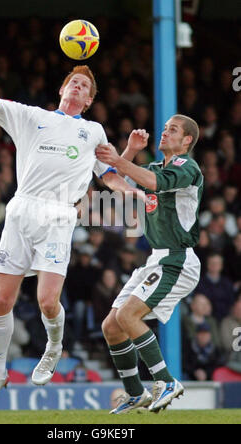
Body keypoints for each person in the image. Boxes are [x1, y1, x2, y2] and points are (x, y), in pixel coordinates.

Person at [0, 64, 146, 411]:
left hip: (59, 215)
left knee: (46, 301)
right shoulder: (30, 117)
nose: (77, 86)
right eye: (73, 81)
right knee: (1, 302)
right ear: (62, 90)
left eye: (84, 85)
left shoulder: (94, 131)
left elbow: (111, 177)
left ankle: (54, 347)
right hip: (22, 211)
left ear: (88, 100)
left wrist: (133, 193)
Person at [96, 114, 203, 413]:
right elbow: (110, 181)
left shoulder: (188, 168)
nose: (165, 133)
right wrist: (128, 152)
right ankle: (135, 393)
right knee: (112, 326)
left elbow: (152, 182)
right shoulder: (153, 167)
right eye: (165, 128)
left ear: (186, 141)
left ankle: (167, 381)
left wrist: (120, 159)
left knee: (129, 316)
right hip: (156, 259)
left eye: (173, 130)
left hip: (178, 259)